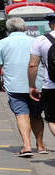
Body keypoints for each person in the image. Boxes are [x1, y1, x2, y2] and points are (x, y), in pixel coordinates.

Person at [0, 17, 37, 157]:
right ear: (24, 28)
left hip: (14, 84)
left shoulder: (1, 44)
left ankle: (27, 146)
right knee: (37, 115)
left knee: (21, 114)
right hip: (36, 84)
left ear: (8, 29)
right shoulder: (36, 41)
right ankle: (41, 145)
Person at [28, 12, 55, 156]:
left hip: (51, 86)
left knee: (52, 119)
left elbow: (33, 66)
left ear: (51, 24)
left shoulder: (41, 40)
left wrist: (32, 86)